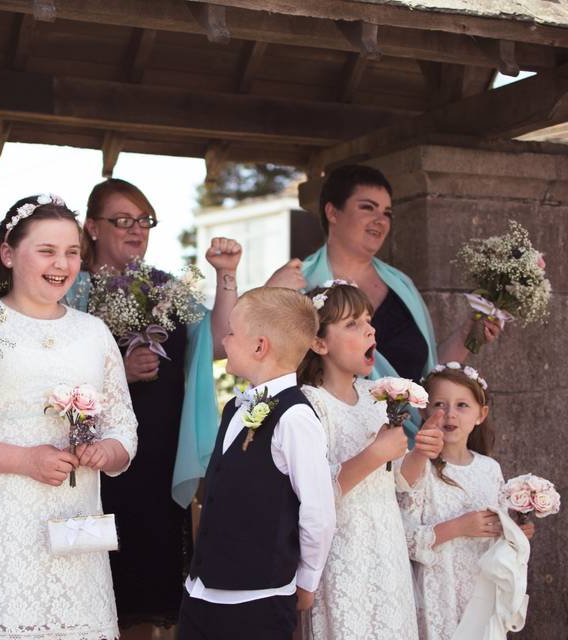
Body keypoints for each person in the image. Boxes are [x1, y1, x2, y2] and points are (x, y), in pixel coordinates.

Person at [0, 194, 138, 639]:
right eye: (47, 250)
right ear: (8, 253)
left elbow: (124, 427)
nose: (62, 263)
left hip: (75, 533)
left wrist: (108, 452)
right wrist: (26, 461)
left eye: (73, 251)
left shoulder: (93, 332)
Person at [66, 178, 240, 635]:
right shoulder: (71, 291)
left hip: (160, 457)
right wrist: (117, 374)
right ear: (92, 228)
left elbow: (221, 343)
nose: (136, 230)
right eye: (122, 220)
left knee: (153, 598)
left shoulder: (166, 289)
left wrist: (226, 273)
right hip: (95, 462)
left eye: (144, 221)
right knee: (96, 587)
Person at [178, 287, 336, 640]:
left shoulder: (295, 418)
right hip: (202, 592)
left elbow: (318, 511)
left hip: (258, 599)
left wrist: (307, 580)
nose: (225, 338)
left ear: (259, 346)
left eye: (232, 331)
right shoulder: (235, 408)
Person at [298, 281, 445, 639]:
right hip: (343, 555)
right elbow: (314, 494)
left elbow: (398, 480)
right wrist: (375, 453)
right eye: (352, 324)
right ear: (319, 343)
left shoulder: (374, 396)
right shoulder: (309, 404)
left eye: (368, 319)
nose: (369, 329)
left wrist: (420, 453)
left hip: (387, 547)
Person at [268, 164, 500, 386]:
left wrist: (465, 336)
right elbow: (266, 362)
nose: (380, 220)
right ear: (332, 212)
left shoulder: (402, 285)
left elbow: (429, 376)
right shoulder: (299, 284)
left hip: (410, 426)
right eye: (368, 207)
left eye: (387, 212)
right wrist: (268, 294)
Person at [399, 363, 534, 640]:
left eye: (462, 405)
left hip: (481, 590)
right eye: (439, 403)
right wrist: (458, 527)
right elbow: (404, 538)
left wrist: (514, 534)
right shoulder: (418, 466)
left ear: (480, 414)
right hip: (439, 592)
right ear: (424, 409)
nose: (449, 414)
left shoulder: (490, 469)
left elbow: (498, 532)